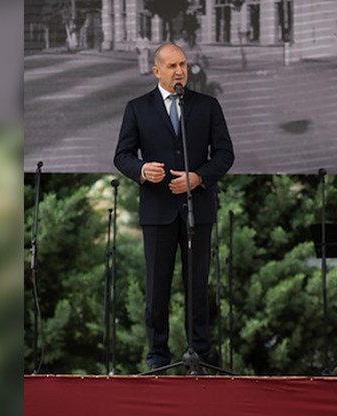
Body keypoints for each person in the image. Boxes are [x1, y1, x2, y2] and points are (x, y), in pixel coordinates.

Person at [114, 43, 234, 371]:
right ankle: (158, 358)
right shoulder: (137, 108)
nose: (180, 71)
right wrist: (142, 170)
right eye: (172, 66)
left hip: (198, 210)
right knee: (157, 288)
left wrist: (199, 177)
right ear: (156, 71)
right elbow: (122, 155)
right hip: (157, 211)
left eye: (183, 64)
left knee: (197, 286)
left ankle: (199, 357)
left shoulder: (207, 106)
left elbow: (225, 154)